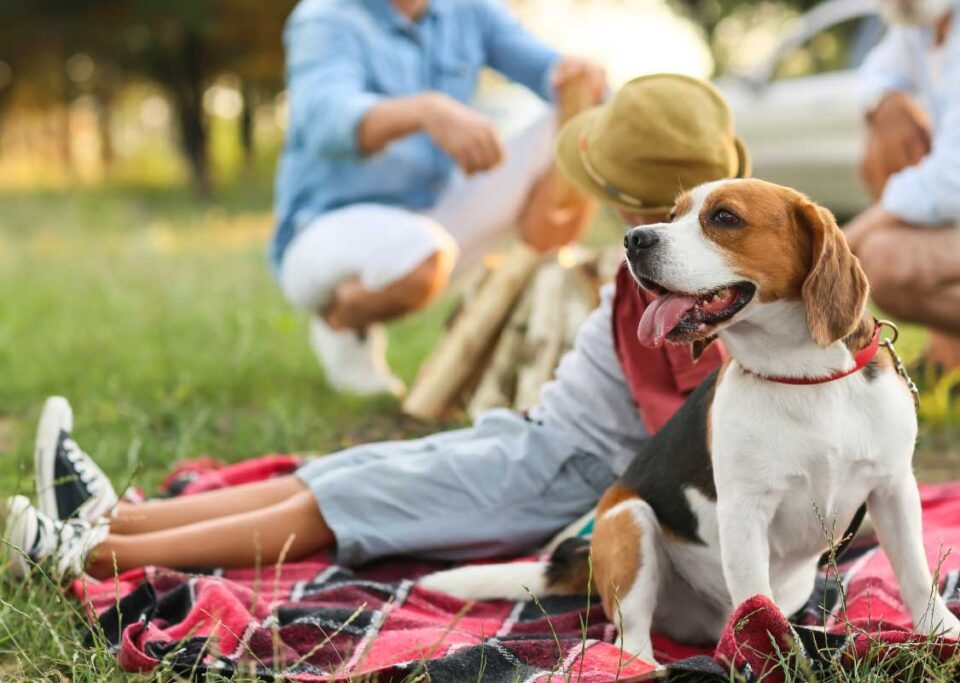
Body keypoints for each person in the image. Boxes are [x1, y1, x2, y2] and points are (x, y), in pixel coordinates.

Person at [3, 75, 749, 582]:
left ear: (633, 204)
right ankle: (116, 517)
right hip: (535, 439)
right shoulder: (659, 271)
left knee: (343, 505)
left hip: (561, 479)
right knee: (337, 475)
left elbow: (685, 438)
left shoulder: (689, 303)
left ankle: (91, 555)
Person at [272, 0, 606, 395]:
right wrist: (427, 112)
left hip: (432, 211)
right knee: (422, 250)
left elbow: (547, 69)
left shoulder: (468, 10)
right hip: (322, 231)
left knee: (583, 121)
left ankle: (543, 301)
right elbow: (327, 123)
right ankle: (342, 322)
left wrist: (577, 73)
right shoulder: (326, 17)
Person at [846, 0, 960, 403]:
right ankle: (958, 362)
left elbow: (958, 181)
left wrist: (833, 248)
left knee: (886, 260)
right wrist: (886, 103)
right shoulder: (923, 19)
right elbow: (875, 72)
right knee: (886, 145)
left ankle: (957, 363)